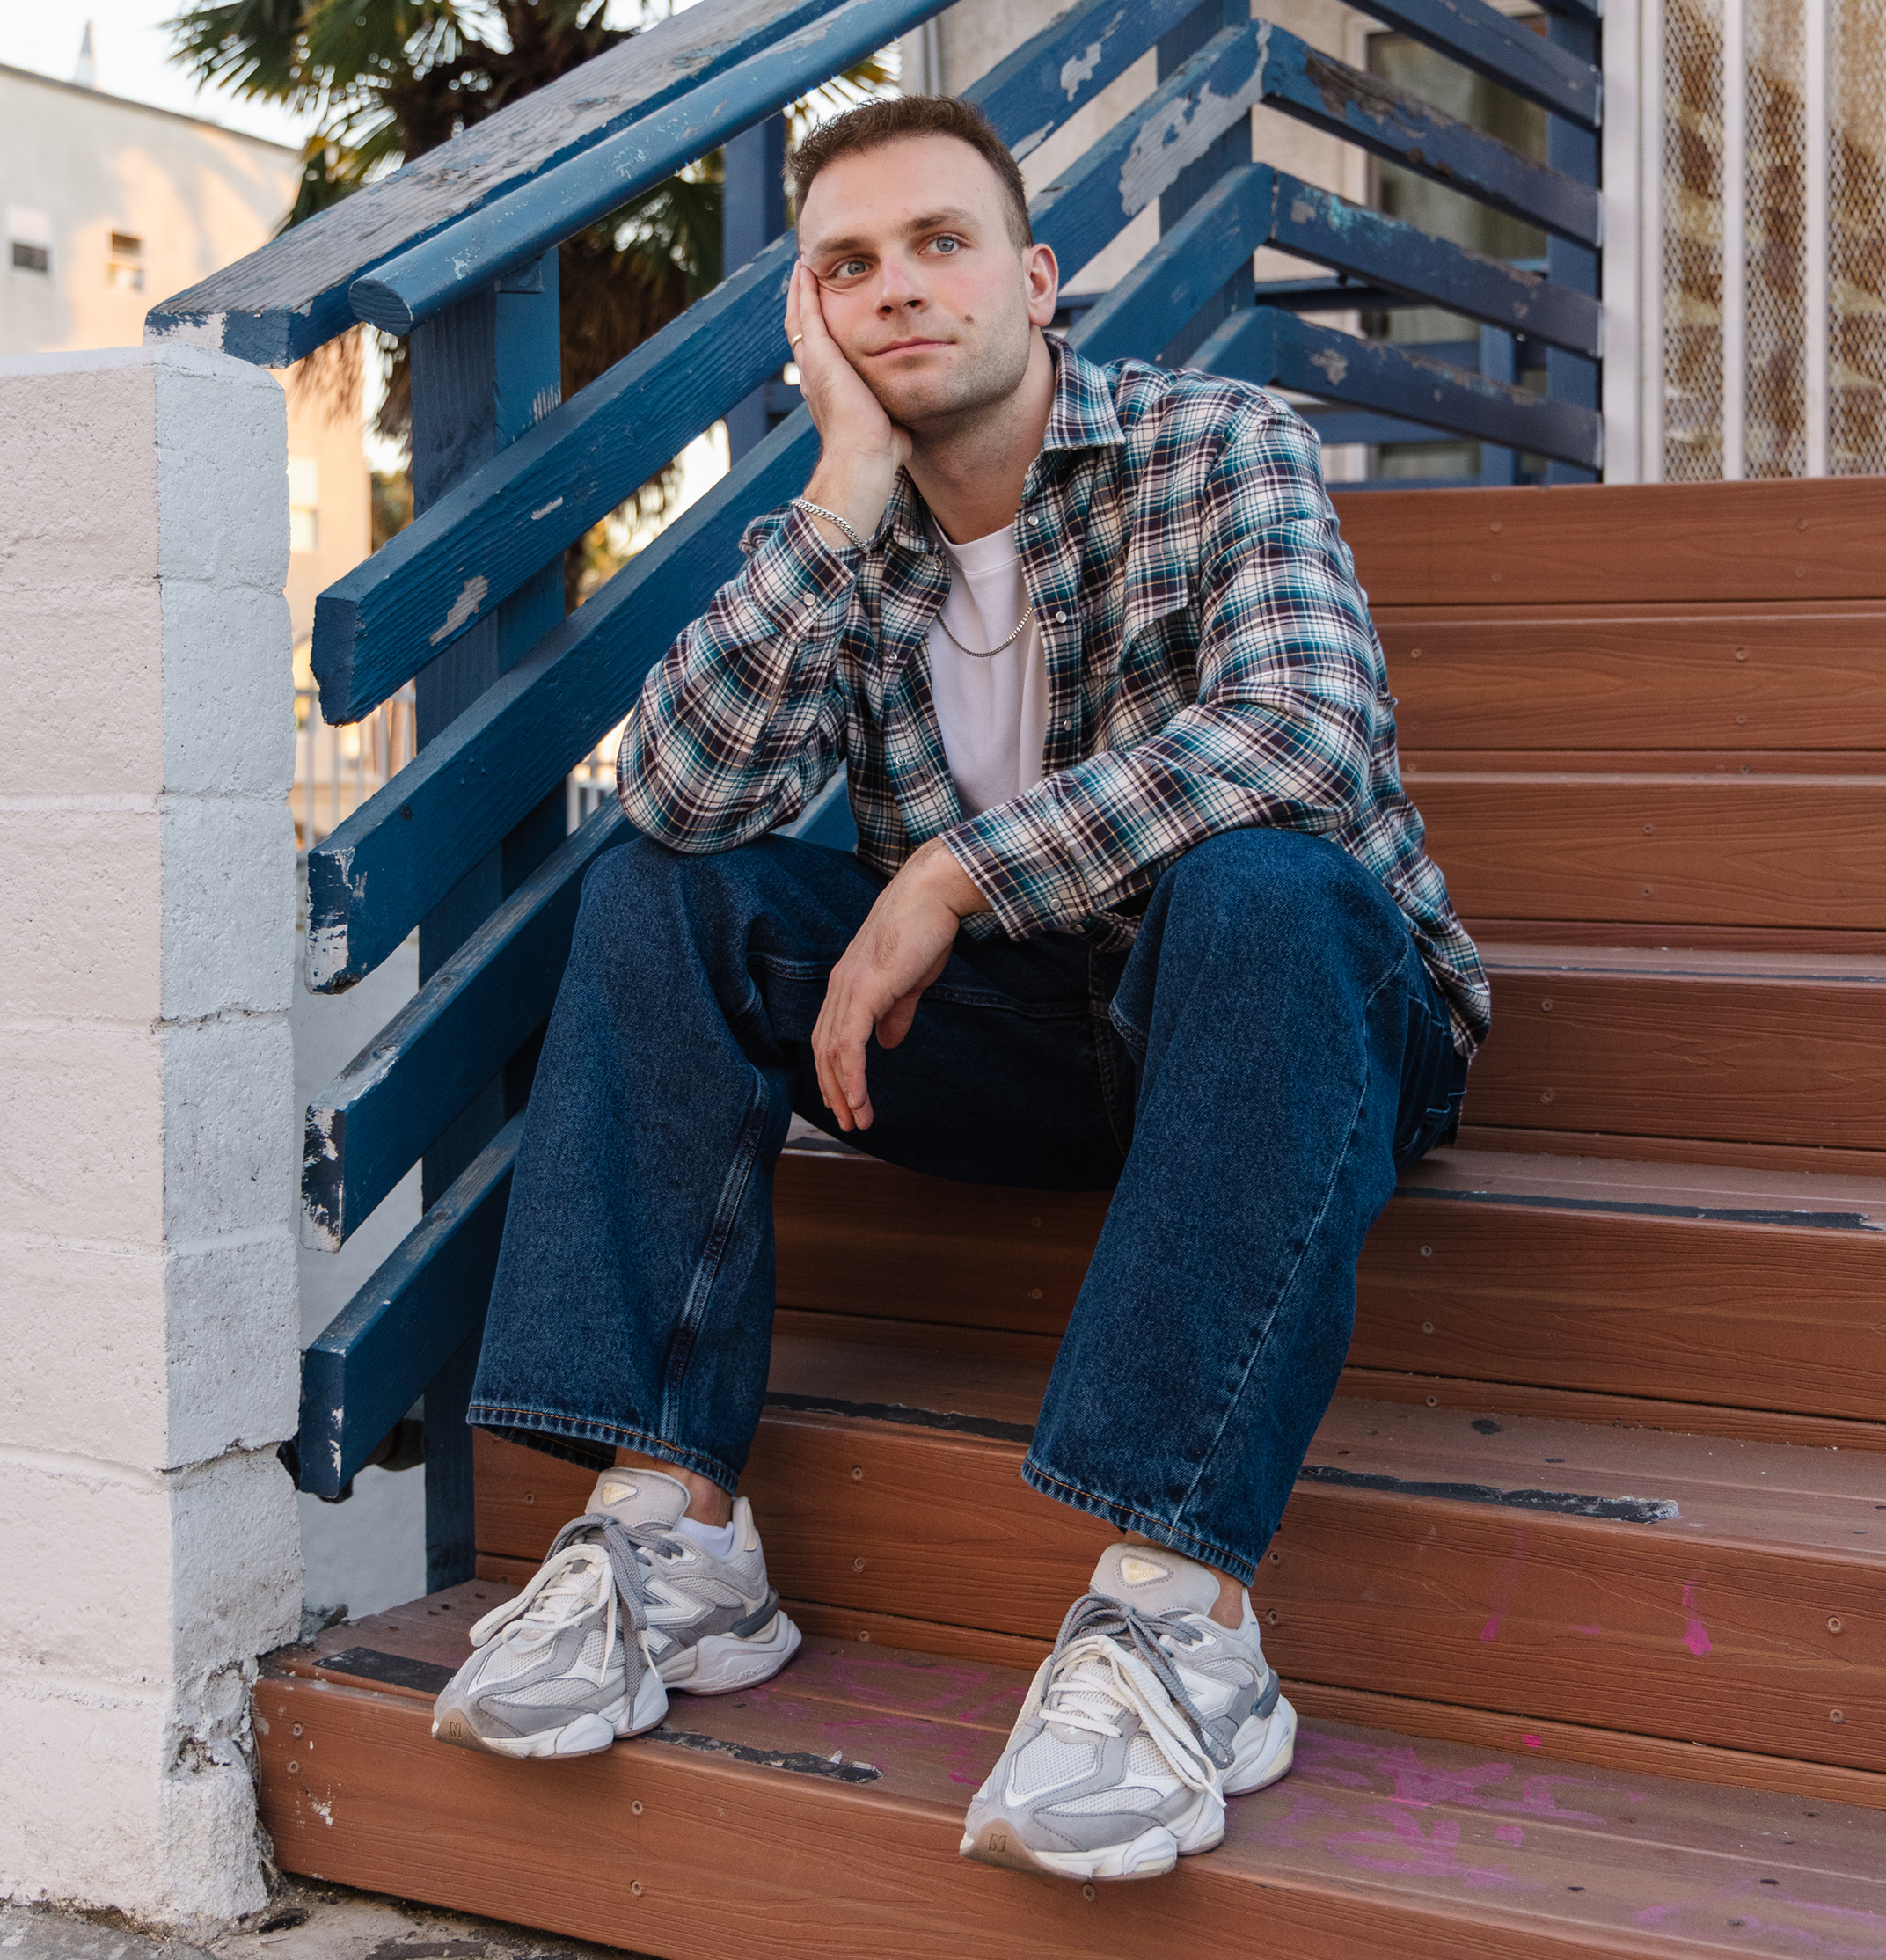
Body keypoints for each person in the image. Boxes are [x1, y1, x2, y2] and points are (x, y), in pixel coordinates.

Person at [429, 93, 1488, 1885]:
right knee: (659, 894)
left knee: (1261, 883)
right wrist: (837, 497)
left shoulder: (1219, 445)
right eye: (846, 266)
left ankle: (1172, 1616)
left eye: (939, 243)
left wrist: (948, 871)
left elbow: (1305, 735)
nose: (896, 290)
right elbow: (682, 799)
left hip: (1294, 1023)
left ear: (1038, 277)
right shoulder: (856, 541)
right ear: (812, 326)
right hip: (1024, 1047)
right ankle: (669, 1533)